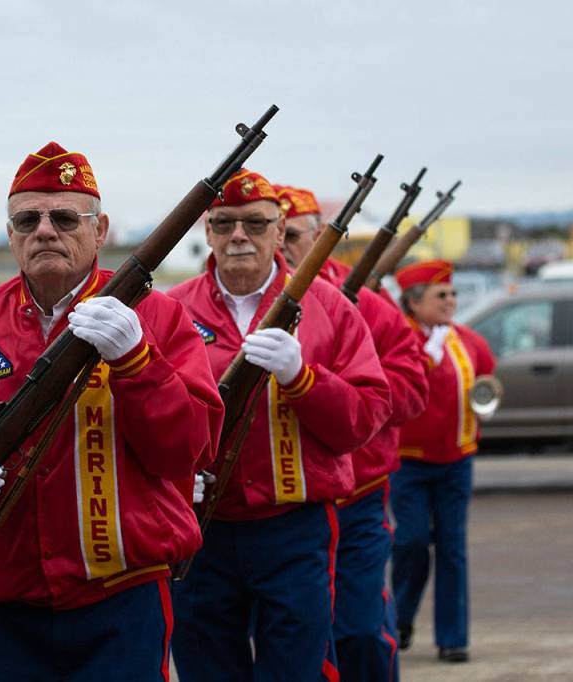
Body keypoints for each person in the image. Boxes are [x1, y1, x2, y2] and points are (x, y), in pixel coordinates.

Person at [0, 141, 224, 681]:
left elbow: (190, 447)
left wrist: (137, 362)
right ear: (9, 235)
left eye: (66, 217)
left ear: (102, 229)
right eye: (27, 218)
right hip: (7, 605)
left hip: (123, 595)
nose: (44, 230)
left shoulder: (157, 319)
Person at [168, 170, 392, 681]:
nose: (238, 235)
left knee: (295, 669)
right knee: (207, 670)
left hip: (293, 528)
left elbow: (364, 418)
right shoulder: (171, 310)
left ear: (279, 227)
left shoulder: (330, 307)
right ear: (207, 231)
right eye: (224, 223)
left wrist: (304, 379)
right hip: (201, 528)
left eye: (254, 222)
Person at [276, 184, 428, 682]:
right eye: (268, 231)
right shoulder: (243, 305)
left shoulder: (366, 303)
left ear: (320, 235)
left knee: (360, 632)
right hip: (280, 507)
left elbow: (409, 389)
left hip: (357, 496)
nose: (278, 246)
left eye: (291, 234)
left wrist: (338, 396)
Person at [389, 259, 496, 663]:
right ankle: (399, 617)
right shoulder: (403, 341)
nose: (451, 301)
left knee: (453, 548)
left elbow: (486, 377)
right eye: (441, 295)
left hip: (457, 459)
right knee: (411, 541)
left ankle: (453, 637)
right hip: (410, 464)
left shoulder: (467, 340)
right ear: (414, 303)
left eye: (452, 294)